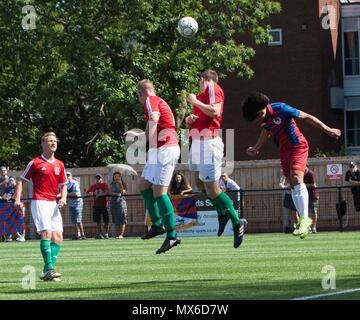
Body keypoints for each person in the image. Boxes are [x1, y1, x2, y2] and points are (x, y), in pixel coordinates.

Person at [242, 92, 341, 238]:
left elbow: (306, 116)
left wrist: (327, 129)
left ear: (263, 108)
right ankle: (303, 221)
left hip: (298, 146)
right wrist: (256, 147)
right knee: (292, 184)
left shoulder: (281, 108)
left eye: (257, 116)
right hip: (283, 150)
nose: (258, 120)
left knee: (296, 178)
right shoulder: (263, 119)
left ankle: (305, 219)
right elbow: (266, 130)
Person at [185, 69, 247, 248]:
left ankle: (237, 222)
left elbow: (215, 112)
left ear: (202, 78)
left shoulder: (212, 87)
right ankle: (222, 213)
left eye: (199, 81)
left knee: (212, 190)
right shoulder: (201, 96)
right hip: (197, 142)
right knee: (199, 184)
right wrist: (190, 120)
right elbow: (204, 116)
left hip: (209, 144)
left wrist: (195, 101)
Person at [124, 79, 181, 254]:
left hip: (166, 148)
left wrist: (144, 141)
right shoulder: (157, 102)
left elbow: (155, 120)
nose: (140, 100)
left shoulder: (151, 100)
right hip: (159, 150)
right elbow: (156, 124)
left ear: (141, 93)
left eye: (138, 96)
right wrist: (136, 134)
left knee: (159, 192)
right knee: (144, 185)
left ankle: (172, 235)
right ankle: (157, 225)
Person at [14, 132, 67, 281]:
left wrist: (63, 198)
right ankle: (49, 268)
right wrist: (17, 199)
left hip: (53, 204)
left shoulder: (60, 164)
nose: (53, 143)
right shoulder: (35, 162)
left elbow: (63, 185)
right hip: (40, 201)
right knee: (46, 234)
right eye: (49, 141)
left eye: (55, 141)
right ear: (42, 144)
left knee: (58, 237)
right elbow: (20, 181)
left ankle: (46, 271)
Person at [86, 173, 110, 239]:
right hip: (96, 205)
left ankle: (106, 233)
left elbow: (107, 192)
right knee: (98, 221)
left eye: (99, 178)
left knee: (106, 220)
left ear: (101, 178)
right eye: (97, 178)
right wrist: (91, 193)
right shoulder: (93, 186)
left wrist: (100, 195)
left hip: (104, 205)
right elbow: (88, 192)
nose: (98, 179)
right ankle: (100, 234)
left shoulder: (104, 184)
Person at [66, 172, 86, 240]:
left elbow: (76, 194)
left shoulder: (75, 183)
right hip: (71, 204)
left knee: (78, 220)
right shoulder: (65, 184)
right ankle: (77, 235)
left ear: (71, 176)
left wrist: (66, 195)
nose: (67, 176)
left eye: (68, 175)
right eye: (66, 175)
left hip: (78, 203)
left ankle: (83, 235)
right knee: (74, 220)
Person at [109, 171, 128, 239]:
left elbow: (123, 192)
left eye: (118, 176)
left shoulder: (123, 184)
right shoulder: (111, 184)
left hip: (121, 203)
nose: (116, 178)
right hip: (113, 203)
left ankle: (121, 234)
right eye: (115, 177)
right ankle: (117, 234)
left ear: (120, 177)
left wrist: (120, 184)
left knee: (122, 218)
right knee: (115, 219)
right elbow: (110, 192)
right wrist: (116, 194)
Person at [304, 166, 319, 233]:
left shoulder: (310, 174)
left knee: (314, 212)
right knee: (305, 213)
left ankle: (314, 227)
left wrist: (304, 185)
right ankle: (308, 227)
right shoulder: (301, 174)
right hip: (305, 196)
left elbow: (314, 185)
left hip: (313, 196)